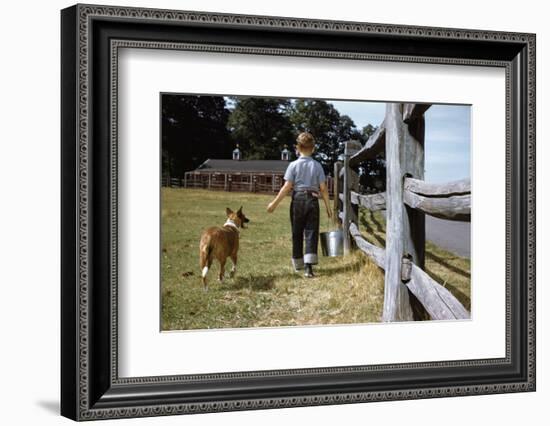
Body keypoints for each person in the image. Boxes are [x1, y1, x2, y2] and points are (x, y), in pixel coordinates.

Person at [267, 132, 332, 278]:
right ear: (313, 149)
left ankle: (298, 264)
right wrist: (328, 208)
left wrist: (274, 204)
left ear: (298, 148)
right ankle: (309, 268)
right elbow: (324, 189)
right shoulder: (317, 166)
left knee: (296, 232)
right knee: (311, 232)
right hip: (313, 201)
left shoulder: (293, 165)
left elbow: (286, 187)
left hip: (297, 200)